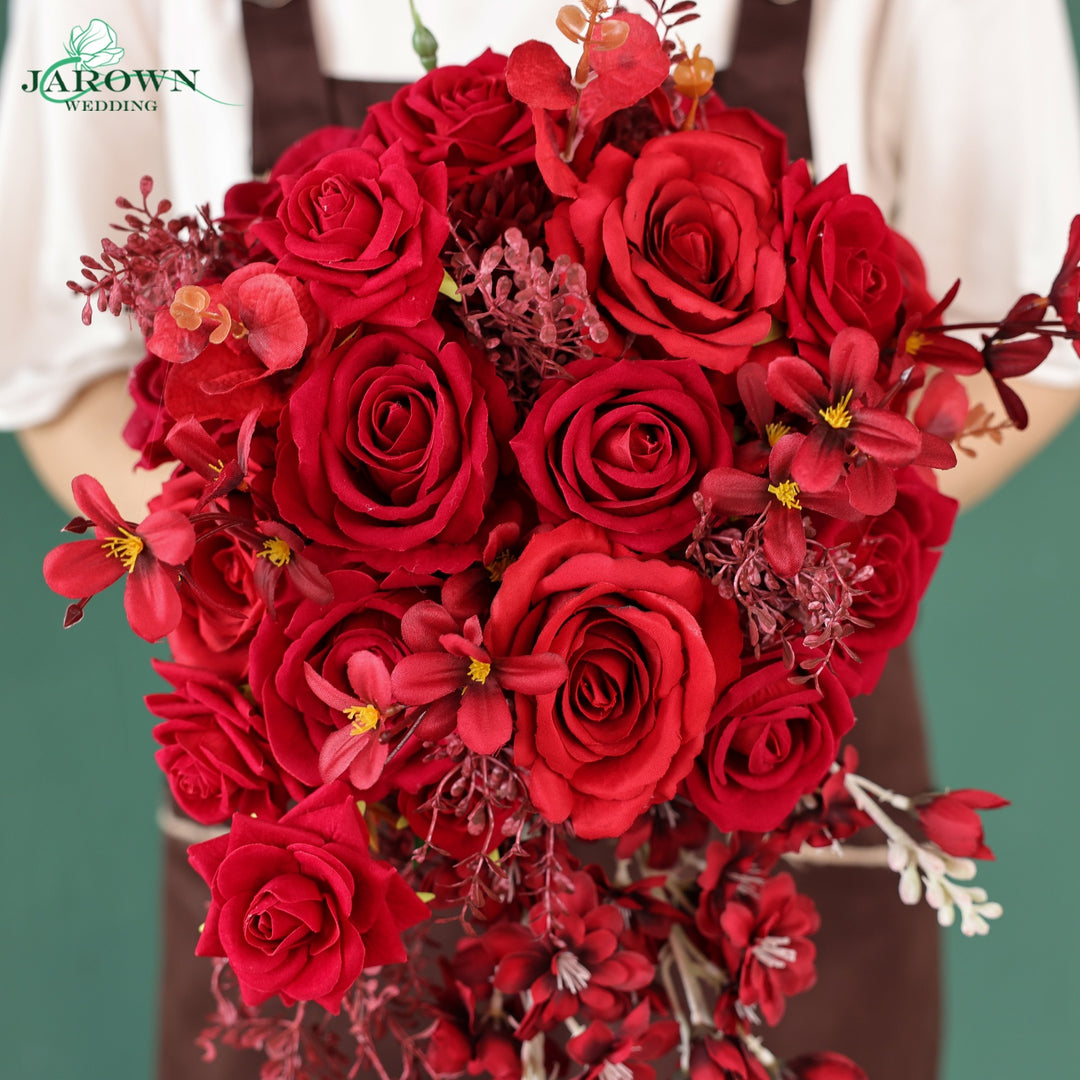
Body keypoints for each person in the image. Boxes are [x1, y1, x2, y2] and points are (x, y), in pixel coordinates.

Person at [3, 2, 1080, 1078]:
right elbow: (52, 366)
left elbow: (1031, 352)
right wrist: (301, 549)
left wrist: (728, 568)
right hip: (335, 811)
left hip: (763, 808)